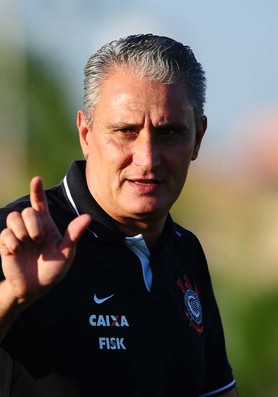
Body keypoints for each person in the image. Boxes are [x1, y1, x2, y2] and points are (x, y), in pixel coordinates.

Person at [0, 34, 239, 396]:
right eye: (126, 132)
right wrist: (14, 296)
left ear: (198, 139)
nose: (147, 159)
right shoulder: (19, 239)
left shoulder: (185, 252)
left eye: (169, 133)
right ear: (86, 132)